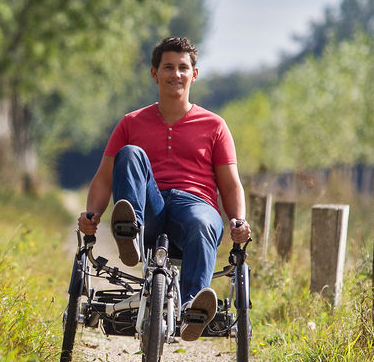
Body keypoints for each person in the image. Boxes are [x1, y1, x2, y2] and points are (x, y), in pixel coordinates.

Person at [78, 36, 251, 341]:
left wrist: (238, 219)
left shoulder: (214, 126)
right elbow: (104, 177)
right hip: (149, 209)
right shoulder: (131, 123)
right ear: (154, 72)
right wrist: (92, 214)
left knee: (200, 221)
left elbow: (230, 183)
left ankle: (191, 310)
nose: (176, 74)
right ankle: (129, 232)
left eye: (183, 67)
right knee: (130, 152)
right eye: (168, 67)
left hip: (196, 205)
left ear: (194, 74)